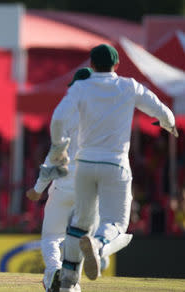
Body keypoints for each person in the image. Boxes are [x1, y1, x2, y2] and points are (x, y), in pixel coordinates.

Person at [48, 44, 178, 292]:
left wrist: (57, 149)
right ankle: (97, 245)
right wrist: (168, 124)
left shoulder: (80, 87)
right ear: (116, 66)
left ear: (91, 66)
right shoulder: (128, 86)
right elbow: (160, 109)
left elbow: (58, 118)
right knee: (117, 222)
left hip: (85, 164)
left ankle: (67, 279)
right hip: (115, 164)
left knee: (80, 221)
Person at [27, 68, 133, 292]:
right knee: (83, 239)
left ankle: (54, 272)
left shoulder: (66, 111)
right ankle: (71, 284)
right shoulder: (105, 116)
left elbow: (54, 154)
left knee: (52, 238)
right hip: (89, 187)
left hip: (63, 186)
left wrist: (38, 188)